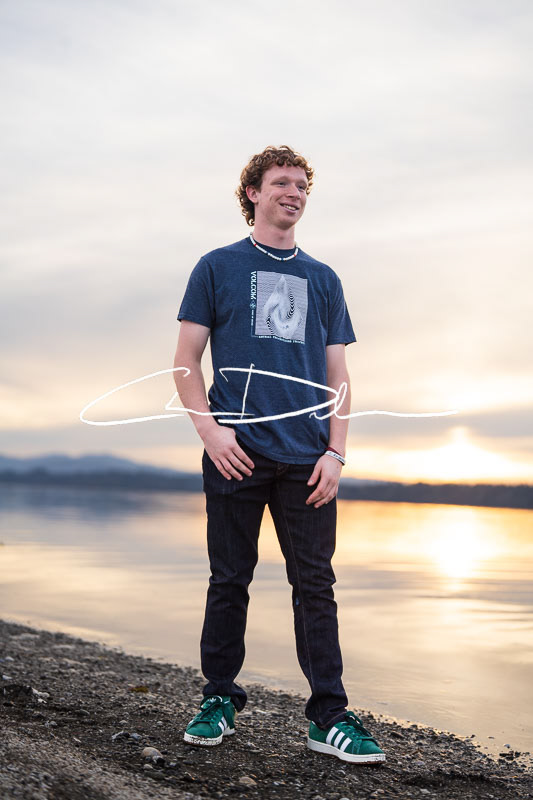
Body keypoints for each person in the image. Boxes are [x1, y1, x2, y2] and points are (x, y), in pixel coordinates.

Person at [173, 145, 385, 764]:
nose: (294, 193)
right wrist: (212, 434)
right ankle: (219, 698)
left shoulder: (324, 279)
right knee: (229, 579)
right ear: (253, 194)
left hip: (307, 459)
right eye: (281, 183)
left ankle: (329, 716)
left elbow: (338, 376)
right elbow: (184, 361)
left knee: (315, 585)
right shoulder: (216, 267)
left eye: (301, 185)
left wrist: (337, 453)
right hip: (235, 452)